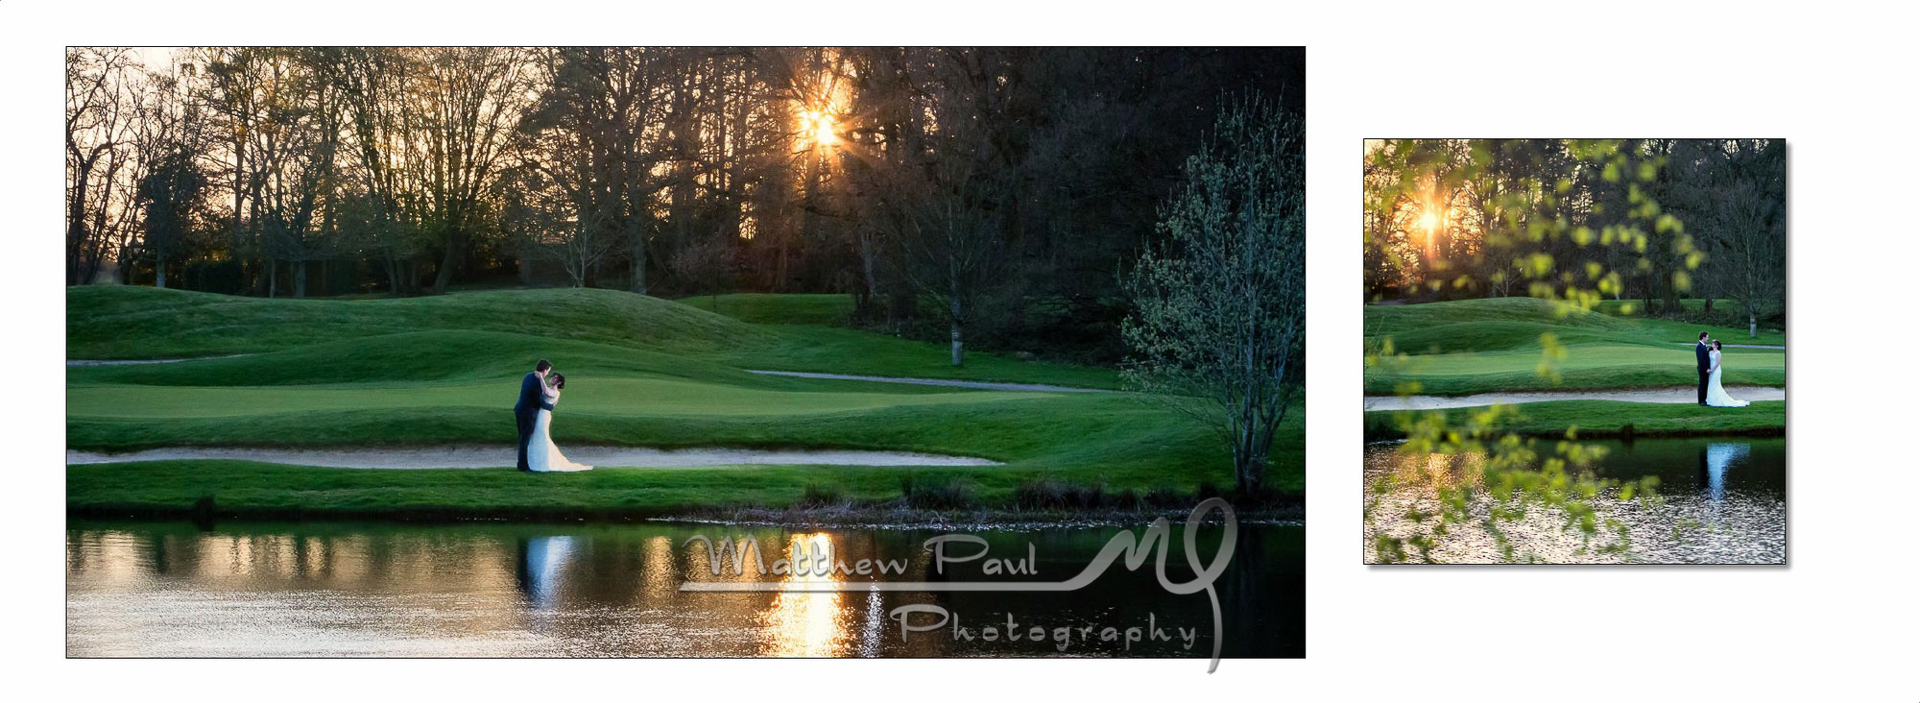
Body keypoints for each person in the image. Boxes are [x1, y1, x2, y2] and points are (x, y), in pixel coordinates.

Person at [527, 372, 593, 472]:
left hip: (544, 415)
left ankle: (546, 463)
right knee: (535, 435)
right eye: (553, 377)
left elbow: (546, 391)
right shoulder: (550, 388)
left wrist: (541, 378)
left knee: (542, 436)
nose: (553, 379)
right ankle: (535, 462)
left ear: (559, 382)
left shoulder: (556, 392)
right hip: (539, 414)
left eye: (556, 378)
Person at [514, 359, 555, 471]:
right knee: (525, 439)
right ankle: (523, 466)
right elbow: (540, 401)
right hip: (528, 412)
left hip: (519, 409)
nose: (548, 373)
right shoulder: (537, 382)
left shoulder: (528, 376)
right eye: (548, 371)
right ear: (545, 370)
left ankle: (522, 464)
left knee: (522, 438)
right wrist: (552, 406)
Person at [1704, 340, 1750, 407]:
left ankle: (1717, 400)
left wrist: (1712, 370)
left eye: (1713, 344)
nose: (1712, 344)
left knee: (1715, 384)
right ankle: (1711, 399)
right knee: (1711, 384)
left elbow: (1717, 363)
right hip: (1710, 369)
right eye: (1712, 343)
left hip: (1715, 370)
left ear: (1717, 346)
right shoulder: (1710, 352)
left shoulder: (1718, 353)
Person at [1694, 331, 1712, 406]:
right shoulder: (1699, 346)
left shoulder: (1704, 346)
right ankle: (1701, 400)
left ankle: (1704, 399)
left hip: (1705, 369)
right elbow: (1701, 360)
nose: (1708, 338)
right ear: (1703, 337)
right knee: (1702, 384)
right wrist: (1706, 368)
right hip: (1702, 369)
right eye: (1707, 337)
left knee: (1705, 384)